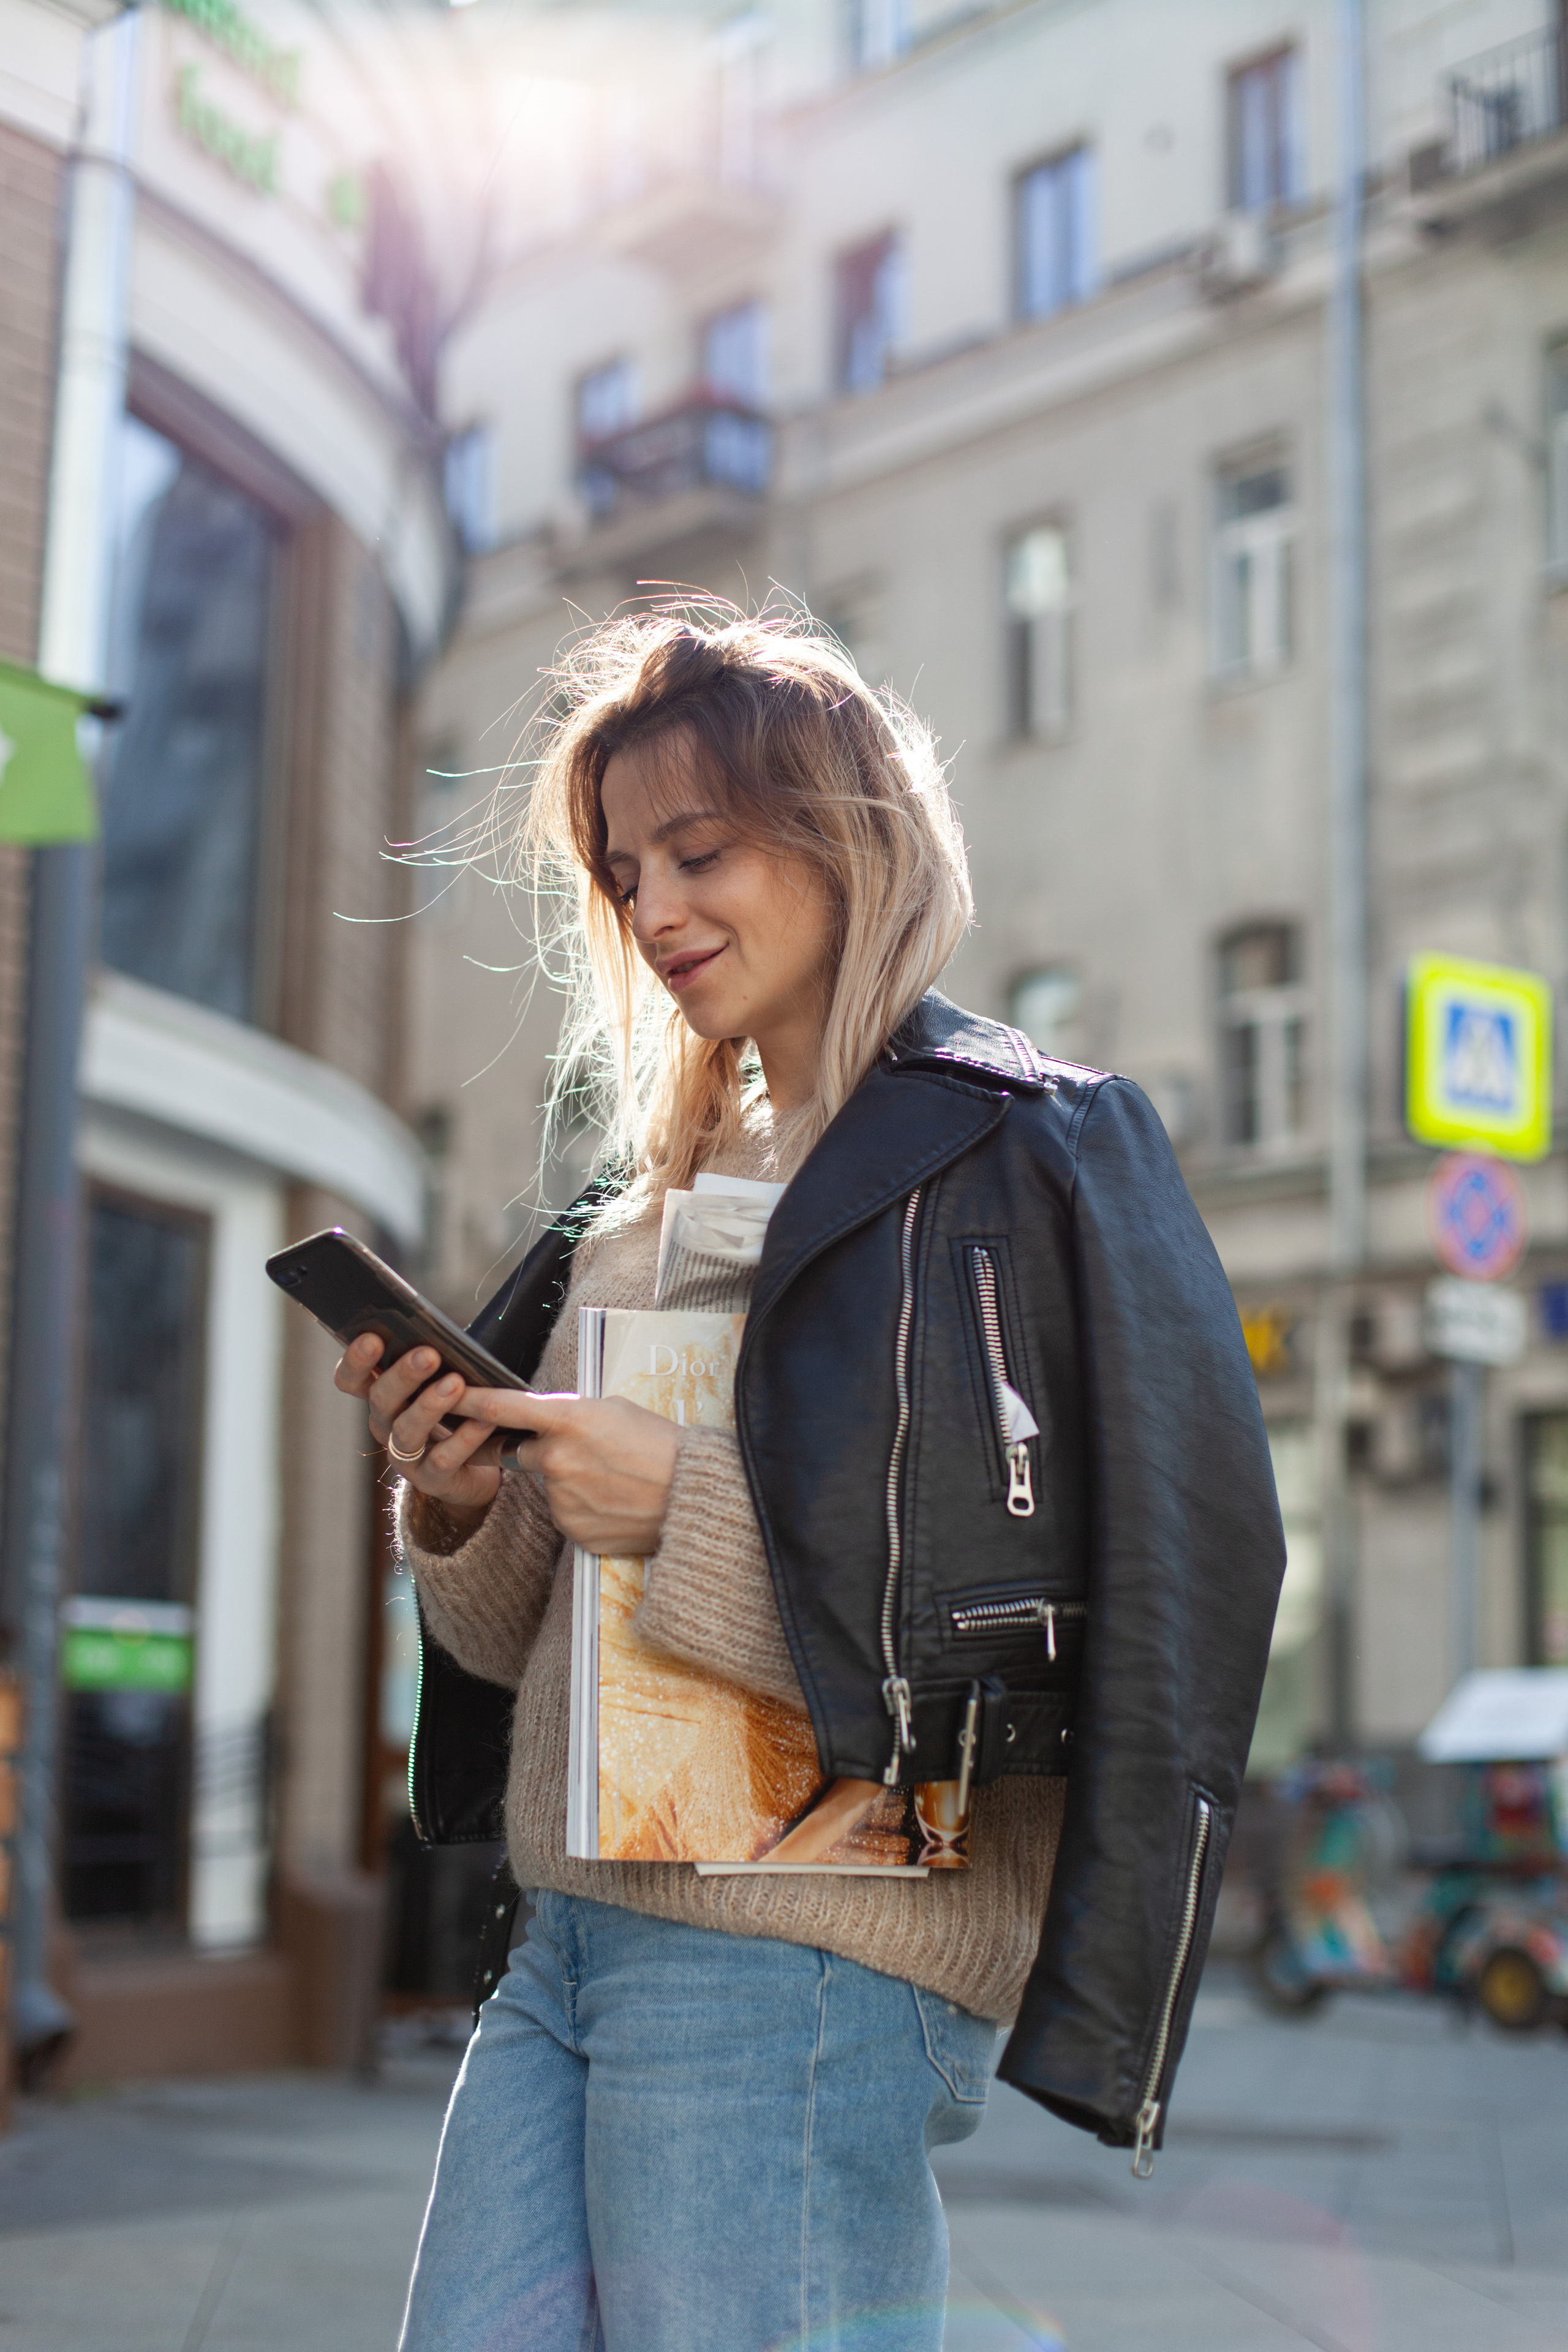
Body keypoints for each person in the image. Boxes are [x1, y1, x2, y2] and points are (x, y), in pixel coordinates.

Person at [335, 610, 1284, 2352]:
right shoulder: (616, 1217)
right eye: (628, 873)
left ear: (851, 836)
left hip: (808, 1943)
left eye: (702, 850)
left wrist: (680, 1512)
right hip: (563, 1933)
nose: (660, 909)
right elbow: (508, 1648)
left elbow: (1129, 1599)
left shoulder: (1023, 1157)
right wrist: (463, 1502)